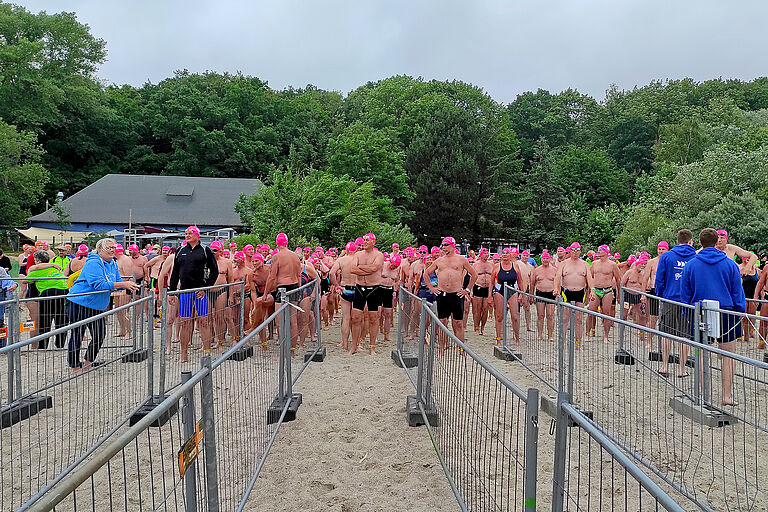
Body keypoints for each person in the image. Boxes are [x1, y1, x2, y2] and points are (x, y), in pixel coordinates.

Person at [681, 228, 745, 406]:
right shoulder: (730, 264)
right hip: (726, 312)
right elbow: (737, 292)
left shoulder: (691, 265)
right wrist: (740, 312)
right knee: (728, 354)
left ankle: (703, 394)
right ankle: (727, 395)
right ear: (717, 241)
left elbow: (685, 293)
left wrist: (687, 313)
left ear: (700, 243)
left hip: (700, 311)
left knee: (701, 354)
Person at [67, 238, 138, 372]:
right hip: (79, 302)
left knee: (99, 335)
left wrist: (129, 286)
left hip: (97, 306)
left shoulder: (112, 263)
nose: (112, 250)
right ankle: (74, 365)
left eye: (113, 247)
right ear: (100, 250)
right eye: (109, 248)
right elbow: (98, 285)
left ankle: (88, 362)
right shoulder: (93, 263)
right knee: (77, 334)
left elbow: (116, 282)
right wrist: (123, 284)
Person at [169, 226, 218, 362]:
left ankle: (207, 352)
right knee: (185, 323)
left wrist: (205, 288)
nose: (187, 235)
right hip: (185, 292)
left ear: (197, 235)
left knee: (204, 321)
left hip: (200, 292)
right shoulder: (180, 251)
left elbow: (214, 271)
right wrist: (171, 292)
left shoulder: (205, 250)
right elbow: (175, 273)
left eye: (190, 233)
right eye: (186, 233)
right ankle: (184, 354)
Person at [654, 229, 697, 377]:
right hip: (688, 301)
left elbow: (659, 279)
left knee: (667, 332)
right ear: (690, 241)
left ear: (677, 240)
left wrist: (661, 294)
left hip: (669, 298)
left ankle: (665, 365)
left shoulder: (667, 256)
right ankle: (681, 369)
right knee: (685, 335)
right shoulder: (695, 257)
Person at [424, 237, 477, 353]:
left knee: (458, 323)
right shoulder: (439, 261)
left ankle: (461, 348)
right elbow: (426, 274)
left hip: (457, 294)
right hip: (442, 294)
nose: (443, 247)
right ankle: (442, 348)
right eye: (442, 245)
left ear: (453, 245)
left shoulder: (461, 260)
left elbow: (474, 275)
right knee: (442, 322)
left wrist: (467, 290)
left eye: (445, 245)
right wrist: (431, 288)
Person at [262, 233, 302, 357]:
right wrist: (298, 289)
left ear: (277, 243)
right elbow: (299, 275)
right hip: (294, 286)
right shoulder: (295, 256)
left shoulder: (276, 257)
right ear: (287, 242)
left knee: (280, 322)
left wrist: (265, 293)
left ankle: (283, 352)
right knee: (293, 321)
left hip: (282, 288)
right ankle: (292, 351)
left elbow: (272, 277)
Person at [26, 251, 69, 349]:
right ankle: (60, 345)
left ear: (37, 261)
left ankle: (42, 346)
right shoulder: (55, 268)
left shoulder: (36, 271)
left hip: (45, 294)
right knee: (61, 319)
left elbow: (25, 280)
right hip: (63, 292)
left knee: (44, 320)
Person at [350, 233, 384, 355]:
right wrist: (367, 268)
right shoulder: (358, 254)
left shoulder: (378, 255)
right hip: (359, 288)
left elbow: (375, 268)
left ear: (373, 242)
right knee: (355, 318)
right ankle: (354, 346)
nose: (364, 242)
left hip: (374, 288)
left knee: (373, 318)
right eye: (363, 240)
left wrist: (361, 267)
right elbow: (352, 269)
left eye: (367, 240)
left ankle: (372, 347)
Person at [554, 243, 593, 349]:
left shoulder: (584, 264)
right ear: (570, 251)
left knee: (579, 319)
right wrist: (556, 288)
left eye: (577, 250)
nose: (575, 252)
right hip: (567, 292)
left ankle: (578, 344)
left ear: (580, 251)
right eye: (573, 250)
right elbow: (557, 277)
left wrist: (592, 290)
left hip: (580, 292)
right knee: (565, 318)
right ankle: (562, 341)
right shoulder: (564, 264)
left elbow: (589, 278)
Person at [587, 245, 623, 343]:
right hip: (596, 289)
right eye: (598, 250)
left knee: (606, 313)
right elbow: (590, 278)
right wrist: (589, 292)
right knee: (590, 312)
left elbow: (618, 279)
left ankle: (606, 336)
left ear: (606, 252)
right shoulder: (594, 264)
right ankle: (587, 334)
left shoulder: (612, 265)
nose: (598, 252)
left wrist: (619, 294)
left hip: (607, 290)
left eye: (600, 250)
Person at [491, 247, 526, 347]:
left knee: (515, 316)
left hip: (512, 290)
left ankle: (517, 339)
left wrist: (522, 294)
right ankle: (498, 339)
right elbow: (491, 282)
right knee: (499, 316)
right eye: (503, 253)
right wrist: (490, 296)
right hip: (500, 290)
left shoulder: (515, 266)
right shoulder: (497, 266)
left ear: (511, 255)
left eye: (507, 253)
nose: (505, 255)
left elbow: (520, 281)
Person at [330, 242, 358, 351]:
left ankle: (345, 343)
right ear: (355, 250)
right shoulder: (358, 259)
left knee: (346, 318)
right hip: (357, 288)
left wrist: (336, 285)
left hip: (345, 288)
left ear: (346, 250)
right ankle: (356, 344)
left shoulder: (341, 260)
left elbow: (331, 273)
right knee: (356, 319)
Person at [532, 251, 557, 341]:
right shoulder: (537, 270)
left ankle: (550, 335)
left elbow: (558, 283)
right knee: (540, 315)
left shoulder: (554, 270)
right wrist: (531, 295)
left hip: (551, 293)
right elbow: (532, 283)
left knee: (550, 315)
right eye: (544, 258)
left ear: (550, 259)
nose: (545, 260)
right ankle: (540, 334)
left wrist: (557, 294)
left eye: (547, 258)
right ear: (541, 259)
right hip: (540, 293)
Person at [471, 249, 494, 336]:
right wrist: (471, 290)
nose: (486, 255)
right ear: (480, 254)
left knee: (485, 309)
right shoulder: (475, 265)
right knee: (477, 309)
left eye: (487, 253)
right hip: (478, 287)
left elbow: (494, 277)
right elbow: (472, 278)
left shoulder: (491, 265)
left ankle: (482, 328)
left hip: (488, 288)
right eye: (484, 253)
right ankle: (476, 327)